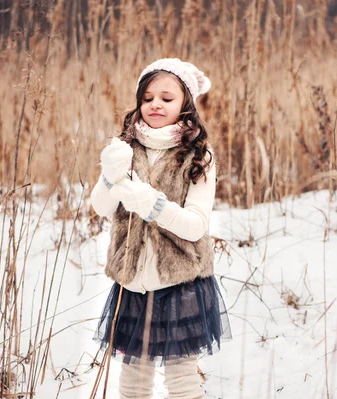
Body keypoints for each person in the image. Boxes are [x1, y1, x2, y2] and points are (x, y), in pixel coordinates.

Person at [90, 58, 231, 399]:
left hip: (180, 283)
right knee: (134, 380)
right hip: (133, 281)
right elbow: (101, 207)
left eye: (166, 98)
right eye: (148, 97)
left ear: (185, 104)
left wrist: (152, 204)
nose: (155, 104)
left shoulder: (197, 154)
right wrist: (110, 177)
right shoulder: (125, 147)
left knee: (182, 379)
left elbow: (196, 226)